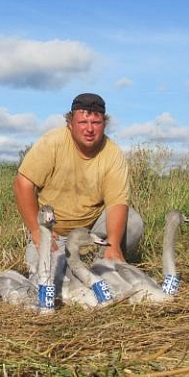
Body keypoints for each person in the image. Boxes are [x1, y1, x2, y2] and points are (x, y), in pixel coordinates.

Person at [14, 92, 144, 274]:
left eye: (96, 123)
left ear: (104, 125)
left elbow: (117, 203)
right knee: (44, 274)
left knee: (133, 221)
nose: (89, 129)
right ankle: (77, 269)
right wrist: (37, 231)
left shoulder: (113, 153)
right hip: (54, 232)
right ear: (70, 124)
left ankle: (101, 266)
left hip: (92, 233)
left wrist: (113, 244)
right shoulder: (52, 142)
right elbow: (23, 184)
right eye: (83, 122)